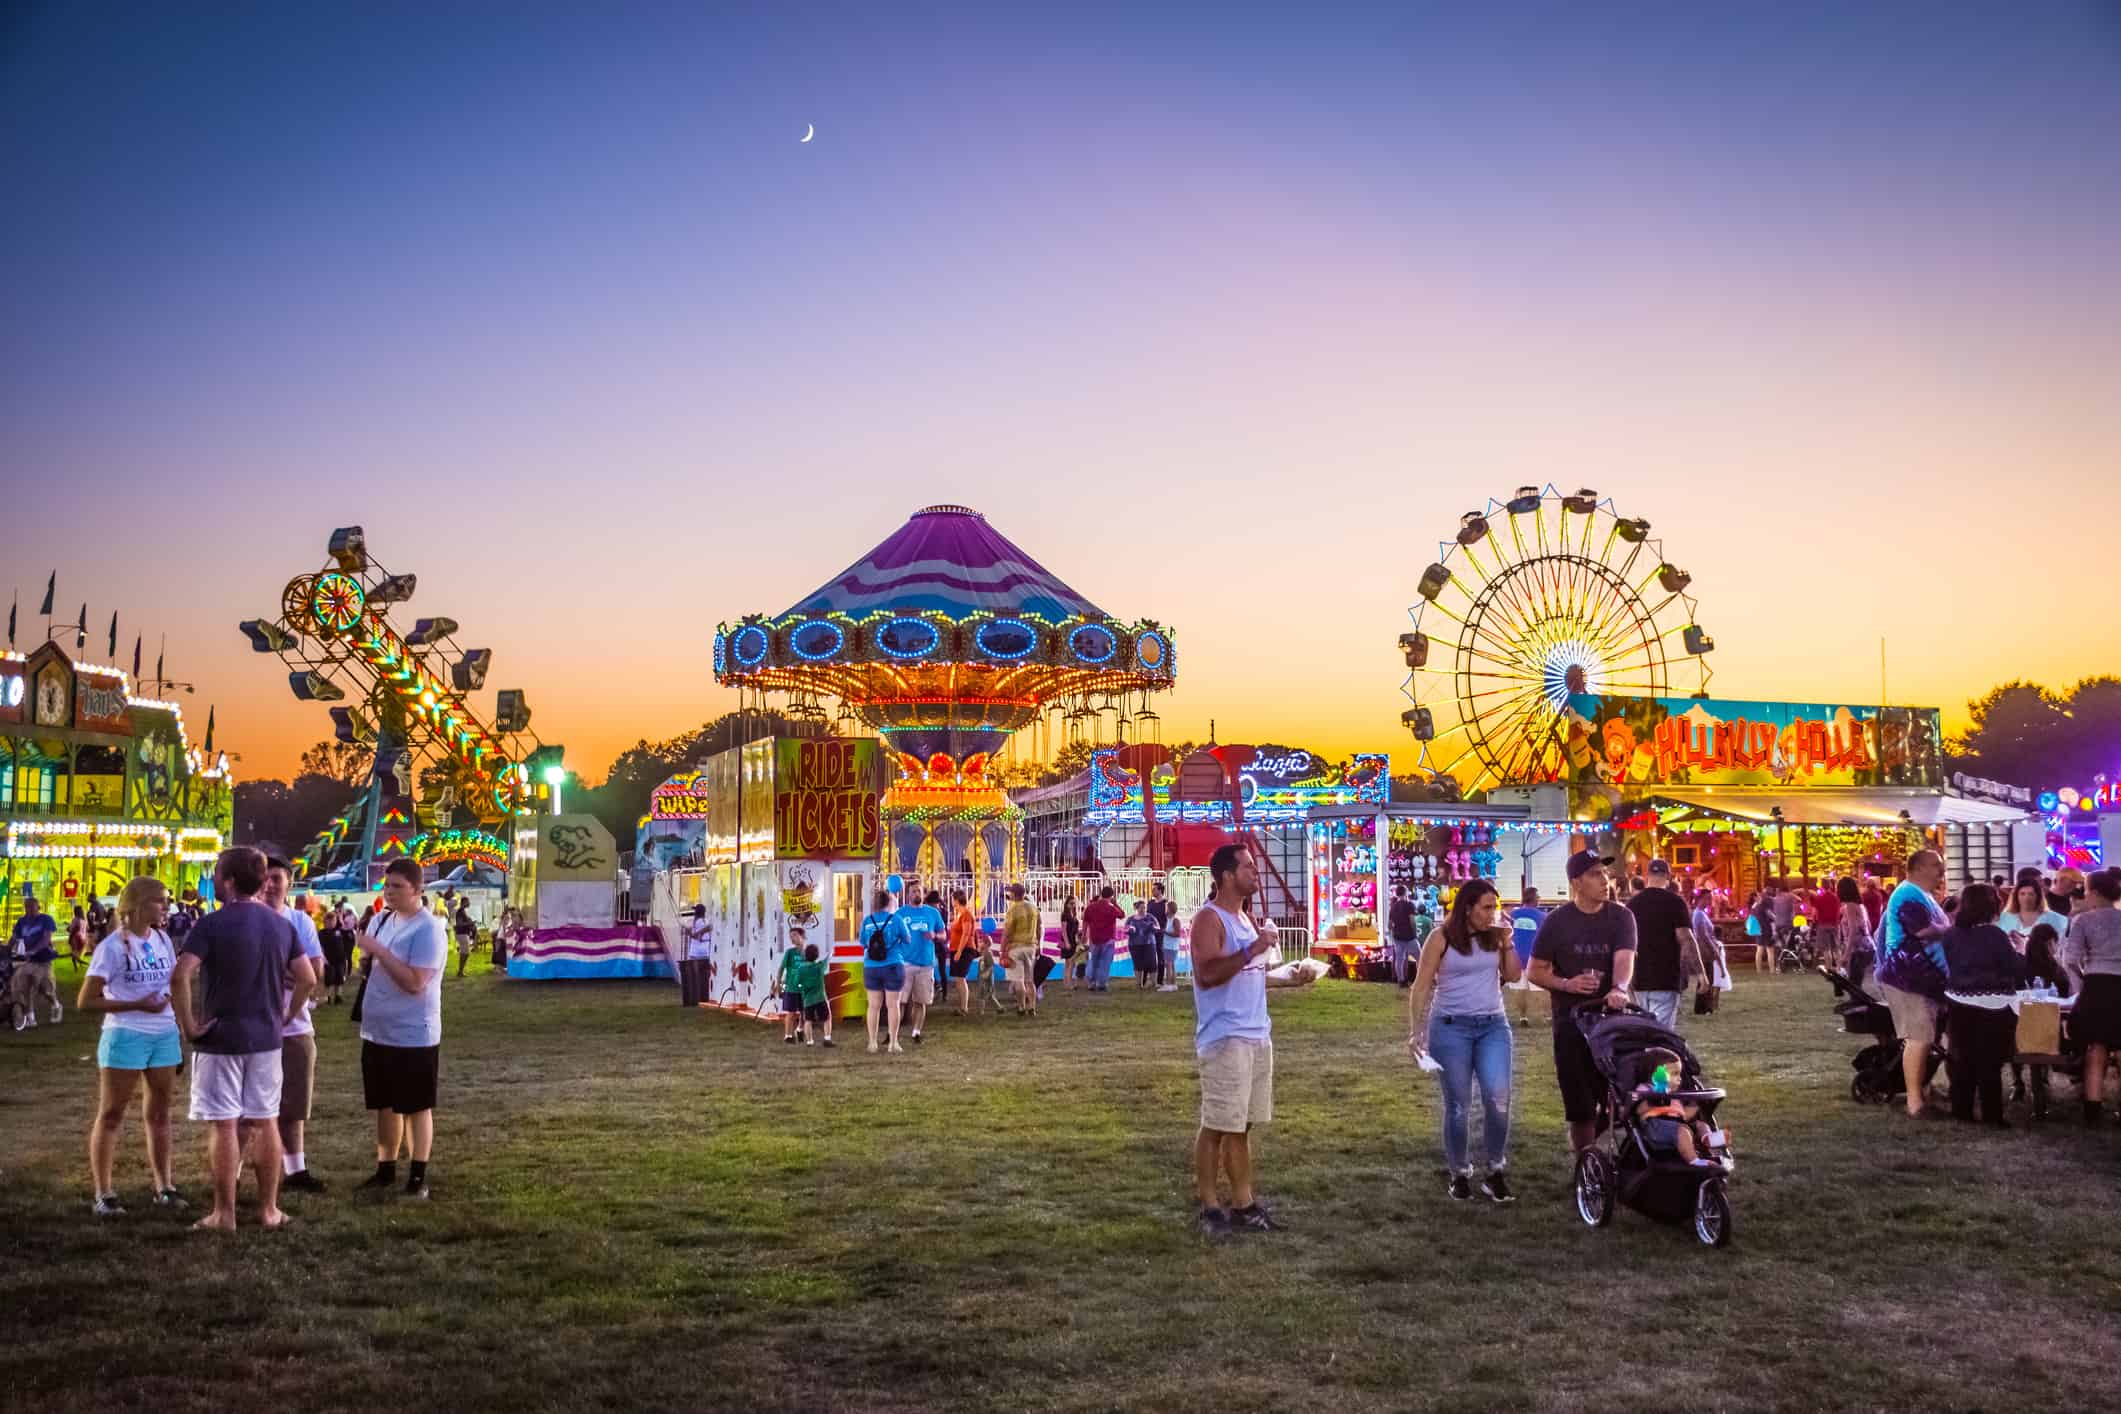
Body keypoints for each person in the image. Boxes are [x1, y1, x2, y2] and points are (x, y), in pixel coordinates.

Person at [168, 846, 313, 1232]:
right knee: (266, 1121)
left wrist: (189, 1025)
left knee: (224, 1125)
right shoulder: (282, 926)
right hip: (267, 1039)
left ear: (229, 881)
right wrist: (286, 1015)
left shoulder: (211, 924)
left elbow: (181, 974)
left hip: (220, 1038)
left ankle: (224, 1213)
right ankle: (269, 1210)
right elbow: (308, 978)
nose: (214, 879)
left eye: (217, 873)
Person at [1189, 844, 1314, 1237]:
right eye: (1248, 868)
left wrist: (1289, 976)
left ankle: (1243, 1204)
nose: (1255, 874)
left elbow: (1251, 974)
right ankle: (1210, 1208)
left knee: (1241, 1126)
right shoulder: (1210, 920)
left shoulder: (1245, 918)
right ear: (1226, 875)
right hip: (1226, 1037)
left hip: (1257, 1033)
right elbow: (1208, 974)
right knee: (1216, 1125)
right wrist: (1254, 948)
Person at [1406, 878, 1520, 1203]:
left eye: (1494, 908)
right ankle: (1459, 1173)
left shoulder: (1495, 937)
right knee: (1457, 1106)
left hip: (1493, 1025)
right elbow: (1421, 985)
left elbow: (1512, 975)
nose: (1492, 914)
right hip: (1450, 1026)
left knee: (1497, 1100)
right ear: (1467, 908)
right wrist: (1417, 1030)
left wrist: (1508, 942)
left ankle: (1495, 1171)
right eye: (1486, 907)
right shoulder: (1440, 937)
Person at [79, 877, 187, 1216]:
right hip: (125, 1034)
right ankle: (104, 1193)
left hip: (163, 1033)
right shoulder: (110, 947)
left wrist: (179, 1023)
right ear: (137, 905)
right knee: (112, 1113)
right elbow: (86, 1001)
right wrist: (137, 1004)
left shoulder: (163, 940)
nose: (166, 907)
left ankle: (165, 1186)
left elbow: (171, 983)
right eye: (160, 901)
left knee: (160, 1112)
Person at [1525, 850, 1637, 1154]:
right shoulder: (1557, 922)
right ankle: (1585, 1168)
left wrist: (1619, 988)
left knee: (1625, 1095)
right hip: (1570, 1023)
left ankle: (1624, 1157)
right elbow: (1534, 970)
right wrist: (1567, 984)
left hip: (1613, 1021)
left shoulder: (1621, 916)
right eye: (1595, 874)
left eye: (1605, 873)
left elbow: (1624, 957)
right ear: (1576, 882)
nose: (1605, 880)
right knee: (1580, 1106)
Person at [355, 856, 446, 1200]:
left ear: (417, 889)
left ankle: (418, 1175)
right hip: (378, 1029)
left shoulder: (429, 928)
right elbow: (375, 969)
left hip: (413, 1033)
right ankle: (385, 1168)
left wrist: (378, 950)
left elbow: (415, 982)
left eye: (397, 886)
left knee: (415, 1106)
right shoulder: (382, 919)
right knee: (384, 1103)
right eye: (386, 885)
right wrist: (368, 959)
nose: (389, 892)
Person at [261, 854, 329, 1194]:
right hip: (255, 1027)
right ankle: (241, 1168)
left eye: (278, 878)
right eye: (266, 878)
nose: (271, 884)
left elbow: (316, 973)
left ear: (289, 883)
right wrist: (291, 972)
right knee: (251, 1108)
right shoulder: (248, 918)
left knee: (294, 1103)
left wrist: (294, 975)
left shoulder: (300, 921)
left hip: (295, 1025)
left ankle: (295, 1169)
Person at [1874, 850, 1952, 1118]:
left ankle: (1922, 1090)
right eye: (1935, 866)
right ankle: (1914, 1102)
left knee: (1925, 1038)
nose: (1941, 872)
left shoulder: (1923, 895)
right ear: (1917, 868)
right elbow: (1921, 930)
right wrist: (1949, 929)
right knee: (1918, 1038)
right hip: (1908, 979)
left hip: (1923, 980)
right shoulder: (1908, 894)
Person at [1939, 883, 2023, 1127]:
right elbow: (2013, 969)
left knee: (1962, 1058)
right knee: (1989, 1061)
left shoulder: (1951, 935)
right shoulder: (1995, 935)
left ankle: (1962, 1110)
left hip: (1959, 999)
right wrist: (2020, 949)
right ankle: (1992, 1115)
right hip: (1993, 1003)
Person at [2059, 867, 2121, 1126]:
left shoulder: (2083, 921)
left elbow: (2070, 959)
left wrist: (2082, 981)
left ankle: (2092, 1110)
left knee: (2096, 1046)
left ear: (2094, 893)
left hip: (2096, 984)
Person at [1626, 859, 1694, 1029]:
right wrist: (1697, 973)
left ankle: (1643, 1054)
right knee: (1661, 1033)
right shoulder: (1676, 902)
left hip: (1639, 978)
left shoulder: (1632, 904)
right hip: (1666, 977)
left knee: (1642, 1029)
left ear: (1647, 876)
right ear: (1668, 877)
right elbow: (1685, 938)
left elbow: (1626, 943)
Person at [858, 889, 906, 1055]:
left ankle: (872, 1042)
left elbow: (863, 942)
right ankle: (893, 1043)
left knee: (873, 1006)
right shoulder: (896, 919)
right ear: (889, 903)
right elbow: (907, 939)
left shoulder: (867, 921)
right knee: (893, 1005)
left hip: (871, 966)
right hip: (893, 964)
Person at [897, 891, 945, 1044]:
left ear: (922, 894)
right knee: (900, 1001)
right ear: (908, 895)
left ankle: (916, 1032)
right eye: (914, 890)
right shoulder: (901, 913)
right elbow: (892, 934)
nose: (916, 893)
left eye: (919, 890)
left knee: (921, 1001)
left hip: (925, 964)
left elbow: (943, 935)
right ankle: (894, 1032)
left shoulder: (932, 913)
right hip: (905, 963)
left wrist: (935, 936)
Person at [10, 893, 63, 1029]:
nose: (30, 910)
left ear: (38, 907)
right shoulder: (21, 922)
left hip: (43, 959)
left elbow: (46, 939)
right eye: (27, 907)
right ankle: (30, 1017)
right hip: (28, 961)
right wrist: (6, 949)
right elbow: (14, 938)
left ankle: (56, 1004)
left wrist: (33, 950)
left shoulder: (46, 919)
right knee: (27, 987)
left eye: (33, 907)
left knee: (46, 989)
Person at [1505, 887, 1544, 1026]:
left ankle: (1523, 1017)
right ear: (1533, 899)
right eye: (1538, 896)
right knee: (1541, 988)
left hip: (1515, 956)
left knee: (1519, 987)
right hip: (1534, 957)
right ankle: (1545, 1016)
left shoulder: (1512, 914)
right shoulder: (1542, 916)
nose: (1539, 899)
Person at [2000, 881, 2070, 956]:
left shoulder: (2055, 918)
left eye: (2031, 894)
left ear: (2038, 896)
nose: (2027, 897)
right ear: (2016, 897)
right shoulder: (2004, 917)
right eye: (2022, 894)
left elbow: (2061, 946)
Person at [1001, 884, 1040, 1016]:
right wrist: (1038, 943)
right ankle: (1032, 1007)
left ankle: (1022, 1006)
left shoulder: (1013, 909)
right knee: (1030, 980)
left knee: (1018, 980)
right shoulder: (1034, 908)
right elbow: (1039, 927)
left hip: (1016, 947)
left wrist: (1002, 950)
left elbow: (1007, 931)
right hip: (1031, 946)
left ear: (1013, 894)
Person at [1084, 887, 1123, 992]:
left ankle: (1091, 982)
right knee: (1105, 962)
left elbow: (1085, 921)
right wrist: (1115, 904)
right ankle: (1101, 983)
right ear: (1111, 896)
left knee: (1093, 961)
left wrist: (1084, 935)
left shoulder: (1091, 907)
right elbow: (1122, 915)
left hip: (1094, 938)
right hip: (1108, 938)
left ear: (1101, 894)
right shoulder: (1111, 908)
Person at [794, 940, 833, 1046]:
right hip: (820, 997)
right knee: (827, 1018)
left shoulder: (801, 969)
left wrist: (802, 986)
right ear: (816, 955)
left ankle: (810, 1041)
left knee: (808, 1020)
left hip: (807, 999)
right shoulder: (819, 967)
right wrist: (830, 952)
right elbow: (827, 960)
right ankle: (827, 1038)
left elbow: (796, 982)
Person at [947, 889, 978, 1016]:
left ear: (956, 900)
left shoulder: (966, 915)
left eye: (952, 899)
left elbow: (966, 934)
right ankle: (962, 1006)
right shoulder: (959, 914)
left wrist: (959, 951)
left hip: (964, 949)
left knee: (961, 978)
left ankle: (964, 1008)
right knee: (958, 979)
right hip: (957, 949)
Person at [1829, 876, 1869, 974]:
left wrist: (1846, 954)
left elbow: (1853, 930)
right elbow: (1868, 927)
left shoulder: (1850, 906)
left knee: (1852, 984)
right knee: (1855, 983)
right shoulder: (1860, 906)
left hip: (1857, 950)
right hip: (1866, 947)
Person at [318, 900, 355, 1005]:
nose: (331, 923)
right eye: (328, 922)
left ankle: (338, 995)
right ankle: (328, 996)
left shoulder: (339, 930)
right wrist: (323, 959)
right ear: (324, 923)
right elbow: (320, 946)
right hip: (329, 959)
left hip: (340, 959)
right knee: (330, 979)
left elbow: (345, 927)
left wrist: (339, 915)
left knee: (339, 978)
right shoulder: (322, 933)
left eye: (332, 921)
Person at [776, 929, 806, 1043]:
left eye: (794, 935)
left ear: (802, 936)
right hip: (791, 987)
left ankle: (800, 1029)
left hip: (804, 988)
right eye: (790, 936)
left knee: (805, 1012)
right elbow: (781, 969)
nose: (792, 938)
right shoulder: (789, 953)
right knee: (791, 1012)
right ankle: (788, 1035)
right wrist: (779, 985)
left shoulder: (808, 952)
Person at [680, 905, 713, 1007]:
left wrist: (694, 932)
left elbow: (688, 931)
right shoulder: (706, 921)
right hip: (706, 951)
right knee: (705, 977)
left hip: (695, 952)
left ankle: (696, 997)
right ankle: (704, 996)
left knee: (695, 977)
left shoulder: (693, 922)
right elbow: (709, 927)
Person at [1387, 885, 1420, 988]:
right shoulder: (1409, 905)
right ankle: (1420, 979)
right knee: (1420, 957)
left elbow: (1390, 924)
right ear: (1405, 893)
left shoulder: (1393, 906)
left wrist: (1394, 933)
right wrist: (1415, 933)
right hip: (1409, 936)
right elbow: (1412, 921)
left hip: (1398, 936)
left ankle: (1401, 980)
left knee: (1399, 959)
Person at [1125, 899, 1159, 990]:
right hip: (1134, 944)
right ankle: (1138, 984)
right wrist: (1130, 930)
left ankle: (1153, 983)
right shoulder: (1131, 919)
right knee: (1137, 964)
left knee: (1152, 963)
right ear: (1136, 908)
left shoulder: (1150, 917)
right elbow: (1125, 929)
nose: (1143, 909)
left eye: (1145, 908)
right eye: (1141, 908)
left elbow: (1157, 927)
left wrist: (1153, 928)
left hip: (1149, 944)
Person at [1158, 900, 1182, 992]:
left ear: (1170, 909)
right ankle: (1173, 984)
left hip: (1171, 946)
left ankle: (1168, 984)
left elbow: (1177, 933)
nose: (1165, 909)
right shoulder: (1168, 920)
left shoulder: (1175, 920)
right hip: (1168, 945)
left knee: (1168, 965)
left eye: (1166, 908)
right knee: (1171, 965)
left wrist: (1165, 932)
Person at [1059, 895, 1082, 989]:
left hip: (1073, 939)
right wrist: (1067, 942)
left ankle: (1067, 982)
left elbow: (1075, 929)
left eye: (1074, 903)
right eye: (1071, 903)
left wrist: (1077, 938)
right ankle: (1067, 983)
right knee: (1069, 961)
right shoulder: (1064, 915)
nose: (1072, 905)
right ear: (1066, 904)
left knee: (1071, 962)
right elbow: (1063, 930)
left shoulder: (1074, 914)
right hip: (1067, 939)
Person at [452, 898, 479, 979]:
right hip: (462, 934)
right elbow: (460, 924)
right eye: (468, 902)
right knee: (465, 953)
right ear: (464, 902)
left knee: (465, 952)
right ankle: (460, 971)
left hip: (463, 934)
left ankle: (461, 971)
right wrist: (470, 923)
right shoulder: (460, 911)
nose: (469, 903)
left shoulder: (462, 911)